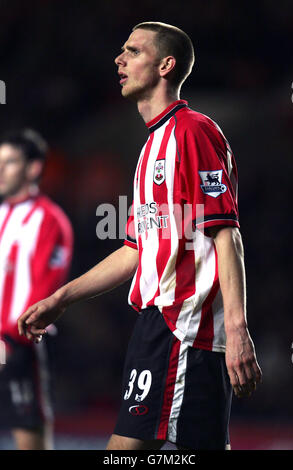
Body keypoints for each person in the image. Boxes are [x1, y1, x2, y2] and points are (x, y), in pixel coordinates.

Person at [18, 22, 262, 450]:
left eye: (132, 51)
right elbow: (136, 251)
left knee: (125, 450)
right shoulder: (150, 147)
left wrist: (239, 328)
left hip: (182, 327)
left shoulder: (192, 131)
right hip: (160, 325)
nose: (119, 59)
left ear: (166, 65)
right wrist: (60, 299)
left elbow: (226, 234)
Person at [0, 129, 73, 450]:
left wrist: (8, 340)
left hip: (19, 348)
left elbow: (44, 295)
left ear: (33, 168)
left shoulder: (49, 220)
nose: (0, 170)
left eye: (10, 162)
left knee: (30, 442)